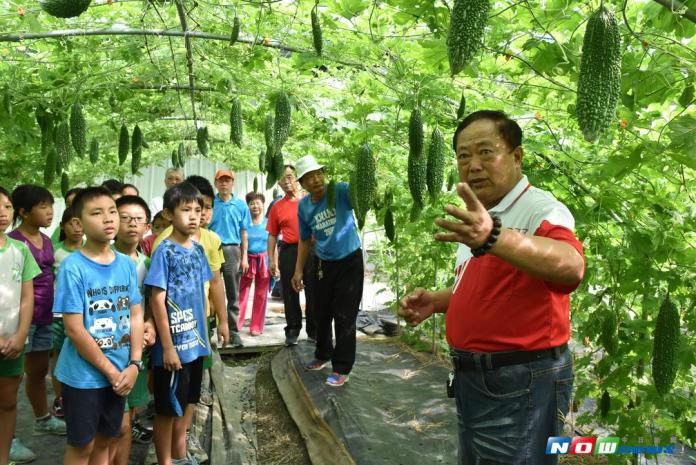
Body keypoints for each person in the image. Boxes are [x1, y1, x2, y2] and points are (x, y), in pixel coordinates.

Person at [398, 110, 585, 465]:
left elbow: (571, 266)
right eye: (463, 156)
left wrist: (493, 236)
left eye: (486, 152)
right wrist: (439, 301)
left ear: (517, 157)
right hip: (478, 380)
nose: (473, 165)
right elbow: (496, 292)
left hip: (521, 382)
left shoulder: (541, 210)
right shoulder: (481, 214)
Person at [53, 186, 144, 465]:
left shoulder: (126, 265)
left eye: (112, 212)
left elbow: (136, 315)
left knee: (107, 439)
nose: (108, 219)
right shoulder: (73, 267)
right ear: (78, 224)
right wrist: (112, 372)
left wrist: (134, 364)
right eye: (97, 213)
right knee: (82, 446)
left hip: (121, 371)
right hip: (84, 376)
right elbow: (74, 330)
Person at [150, 175, 229, 463]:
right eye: (186, 210)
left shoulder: (198, 250)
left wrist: (217, 326)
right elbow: (157, 298)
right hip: (174, 347)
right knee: (167, 409)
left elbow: (203, 293)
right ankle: (165, 461)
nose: (194, 216)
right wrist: (168, 347)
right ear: (169, 215)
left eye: (198, 210)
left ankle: (180, 456)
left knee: (187, 402)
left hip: (196, 343)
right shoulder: (164, 251)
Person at [291, 156, 363, 388]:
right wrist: (298, 270)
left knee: (345, 315)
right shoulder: (304, 206)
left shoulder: (340, 190)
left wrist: (366, 166)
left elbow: (364, 194)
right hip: (323, 263)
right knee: (320, 312)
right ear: (302, 183)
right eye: (309, 177)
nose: (316, 179)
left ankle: (342, 367)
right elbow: (304, 240)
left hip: (350, 262)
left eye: (319, 173)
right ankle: (323, 354)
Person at [8, 185, 66, 453]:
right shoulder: (14, 241)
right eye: (42, 206)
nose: (49, 211)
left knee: (38, 371)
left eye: (50, 205)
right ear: (24, 212)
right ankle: (7, 437)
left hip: (45, 315)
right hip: (20, 319)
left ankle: (42, 419)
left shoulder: (46, 239)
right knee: (12, 379)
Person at [110, 195, 157, 465]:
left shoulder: (147, 263)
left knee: (126, 422)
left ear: (147, 226)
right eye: (124, 218)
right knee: (113, 425)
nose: (131, 224)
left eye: (138, 219)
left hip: (135, 352)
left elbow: (151, 302)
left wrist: (150, 324)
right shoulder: (102, 259)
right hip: (107, 351)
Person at [0, 186, 41, 465]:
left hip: (14, 342)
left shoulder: (19, 250)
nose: (3, 213)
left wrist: (21, 334)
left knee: (8, 403)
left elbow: (27, 297)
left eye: (6, 207)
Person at [267, 165, 317, 345]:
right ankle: (292, 331)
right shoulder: (277, 206)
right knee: (289, 292)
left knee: (314, 291)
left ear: (297, 177)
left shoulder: (310, 200)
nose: (286, 181)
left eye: (289, 176)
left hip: (312, 251)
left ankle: (314, 331)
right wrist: (272, 260)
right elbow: (272, 234)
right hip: (289, 251)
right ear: (278, 183)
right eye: (282, 179)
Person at [49, 206, 84, 419]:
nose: (77, 227)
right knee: (59, 356)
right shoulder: (55, 250)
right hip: (57, 314)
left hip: (82, 315)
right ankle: (60, 399)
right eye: (72, 222)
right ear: (63, 226)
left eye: (80, 222)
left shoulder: (90, 250)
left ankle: (78, 397)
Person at [208, 169, 249, 349]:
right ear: (216, 183)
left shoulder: (240, 205)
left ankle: (233, 331)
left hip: (233, 249)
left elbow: (244, 232)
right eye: (221, 180)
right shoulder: (210, 204)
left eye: (227, 180)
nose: (224, 183)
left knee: (233, 293)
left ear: (232, 183)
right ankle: (210, 330)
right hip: (212, 248)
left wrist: (244, 257)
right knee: (209, 290)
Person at [238, 192, 270, 336]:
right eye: (252, 203)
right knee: (243, 293)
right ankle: (236, 324)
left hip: (264, 261)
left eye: (258, 203)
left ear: (263, 204)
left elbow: (273, 244)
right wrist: (242, 259)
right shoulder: (244, 223)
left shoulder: (269, 222)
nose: (255, 206)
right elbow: (241, 243)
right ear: (248, 206)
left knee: (261, 294)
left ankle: (256, 326)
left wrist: (275, 263)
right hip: (247, 260)